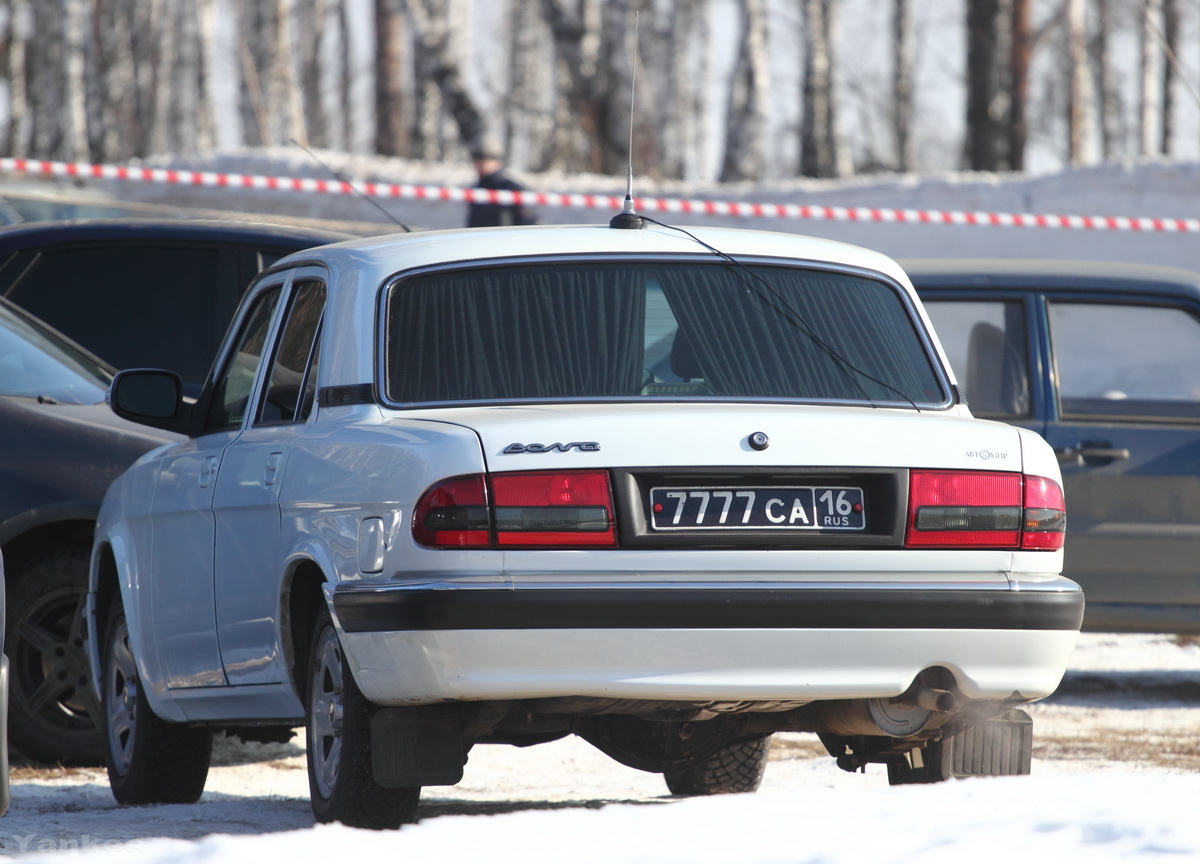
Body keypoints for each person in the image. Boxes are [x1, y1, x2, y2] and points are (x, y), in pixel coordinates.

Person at [466, 142, 537, 227]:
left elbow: (527, 219)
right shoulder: (476, 188)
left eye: (486, 159)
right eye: (477, 159)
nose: (481, 164)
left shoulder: (511, 188)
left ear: (498, 162)